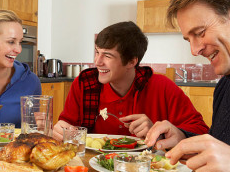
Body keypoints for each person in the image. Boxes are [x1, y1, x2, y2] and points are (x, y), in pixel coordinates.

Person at [145, 0, 230, 172]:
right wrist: (183, 137)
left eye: (200, 32)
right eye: (188, 39)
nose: (194, 50)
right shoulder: (225, 85)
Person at [53, 21, 208, 140]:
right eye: (97, 52)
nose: (97, 61)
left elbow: (201, 131)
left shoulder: (162, 87)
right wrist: (62, 130)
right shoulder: (84, 84)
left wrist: (158, 131)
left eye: (107, 55)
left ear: (132, 62)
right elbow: (67, 125)